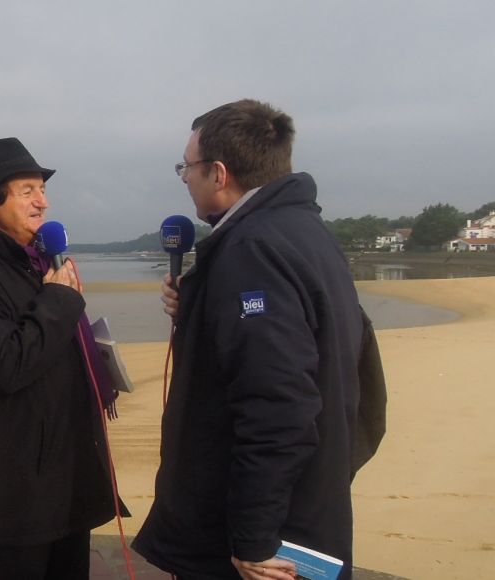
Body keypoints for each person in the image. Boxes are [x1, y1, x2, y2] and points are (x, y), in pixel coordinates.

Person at [132, 100, 365, 580]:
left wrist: (255, 538)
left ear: (218, 173)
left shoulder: (252, 250)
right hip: (312, 502)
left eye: (188, 166)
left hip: (266, 536)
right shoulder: (306, 232)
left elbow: (278, 404)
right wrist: (199, 305)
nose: (183, 177)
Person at [0, 137, 121, 579]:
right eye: (27, 190)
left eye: (41, 189)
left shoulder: (39, 263)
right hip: (20, 485)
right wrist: (60, 300)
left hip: (68, 474)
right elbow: (6, 365)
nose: (42, 201)